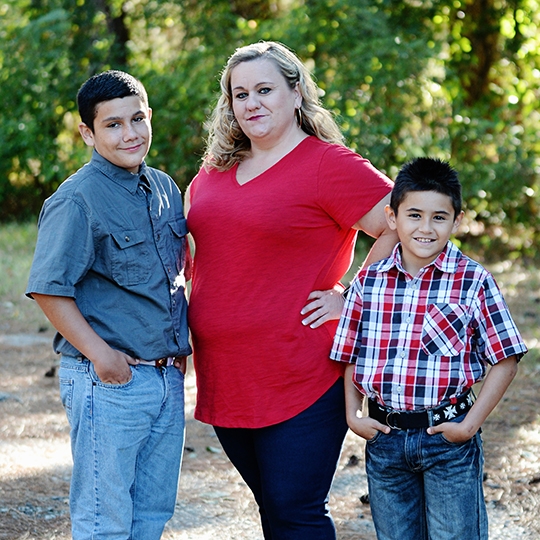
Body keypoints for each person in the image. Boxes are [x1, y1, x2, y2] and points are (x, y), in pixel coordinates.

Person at [185, 41, 397, 539]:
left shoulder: (328, 164)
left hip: (299, 371)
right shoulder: (215, 169)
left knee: (295, 510)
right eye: (240, 94)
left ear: (295, 92)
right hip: (227, 374)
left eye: (265, 89)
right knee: (274, 512)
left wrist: (356, 294)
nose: (251, 103)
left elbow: (401, 223)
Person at [25, 70, 191, 540]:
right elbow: (48, 289)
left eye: (137, 119)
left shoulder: (163, 188)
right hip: (109, 381)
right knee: (105, 521)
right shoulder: (77, 200)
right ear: (87, 133)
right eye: (113, 124)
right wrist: (102, 356)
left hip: (164, 378)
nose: (129, 133)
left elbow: (173, 274)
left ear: (150, 117)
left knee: (152, 515)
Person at [331, 157, 528, 540]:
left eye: (439, 217)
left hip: (447, 440)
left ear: (457, 221)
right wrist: (353, 414)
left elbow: (505, 359)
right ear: (392, 218)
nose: (425, 228)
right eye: (414, 215)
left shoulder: (472, 281)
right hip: (385, 440)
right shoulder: (369, 281)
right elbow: (353, 354)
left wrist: (469, 426)